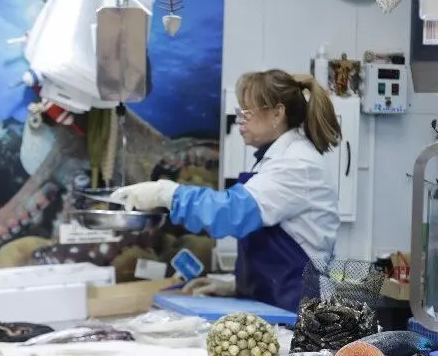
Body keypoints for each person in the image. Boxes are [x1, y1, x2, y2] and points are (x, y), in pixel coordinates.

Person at [110, 69, 342, 312]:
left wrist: (166, 194)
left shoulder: (296, 163)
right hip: (278, 299)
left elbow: (231, 212)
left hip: (298, 307)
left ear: (277, 113)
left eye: (247, 112)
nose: (240, 120)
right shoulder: (274, 160)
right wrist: (234, 285)